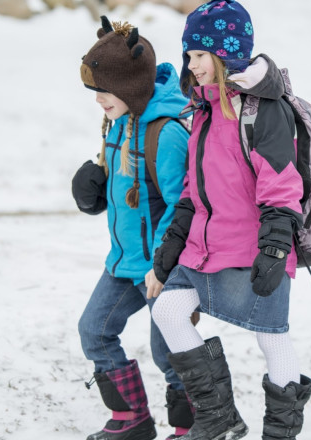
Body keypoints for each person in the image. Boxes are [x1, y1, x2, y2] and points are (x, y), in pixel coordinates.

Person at [149, 1, 311, 439]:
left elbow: (282, 186)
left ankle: (280, 433)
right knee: (167, 310)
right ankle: (219, 418)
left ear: (226, 54)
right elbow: (192, 189)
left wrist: (276, 247)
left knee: (272, 338)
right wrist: (172, 243)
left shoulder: (264, 109)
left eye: (199, 56)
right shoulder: (202, 110)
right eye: (189, 56)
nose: (192, 65)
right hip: (204, 246)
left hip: (254, 247)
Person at [72, 18, 193, 440]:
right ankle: (132, 418)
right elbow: (129, 192)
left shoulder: (167, 132)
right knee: (95, 330)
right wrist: (93, 193)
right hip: (125, 263)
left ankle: (189, 428)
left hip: (165, 267)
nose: (98, 100)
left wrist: (161, 267)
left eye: (103, 90)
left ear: (130, 85)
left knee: (171, 352)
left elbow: (184, 206)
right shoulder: (120, 122)